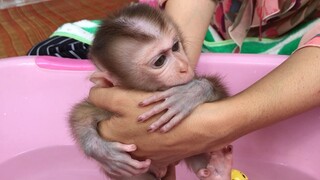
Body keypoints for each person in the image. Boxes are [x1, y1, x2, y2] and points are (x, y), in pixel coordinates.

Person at [86, 0, 320, 178]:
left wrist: (215, 121)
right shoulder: (120, 76)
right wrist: (100, 147)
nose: (183, 63)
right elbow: (85, 124)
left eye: (178, 47)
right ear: (110, 82)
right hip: (210, 21)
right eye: (160, 61)